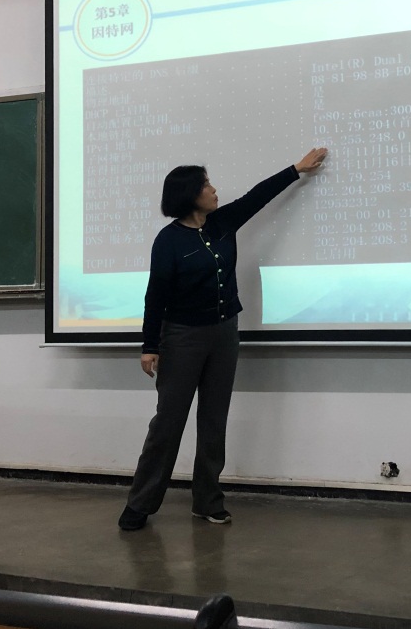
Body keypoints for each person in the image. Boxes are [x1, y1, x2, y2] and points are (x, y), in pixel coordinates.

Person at [119, 147, 328, 531]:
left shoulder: (221, 223)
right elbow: (155, 296)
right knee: (168, 424)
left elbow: (257, 196)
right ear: (189, 195)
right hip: (181, 338)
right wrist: (150, 346)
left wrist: (296, 170)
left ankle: (208, 501)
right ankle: (140, 504)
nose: (214, 190)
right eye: (206, 185)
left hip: (224, 333)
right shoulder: (168, 241)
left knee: (214, 421)